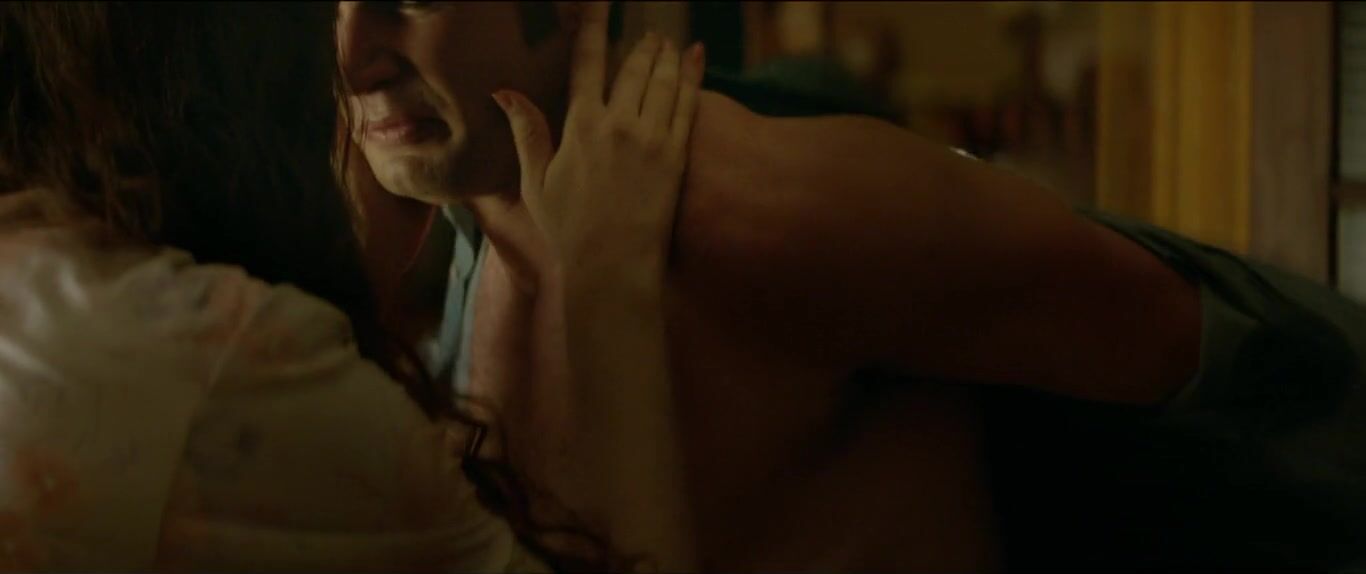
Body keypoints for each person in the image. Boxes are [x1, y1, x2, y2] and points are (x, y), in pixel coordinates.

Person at [341, 1, 1366, 571]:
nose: (351, 59)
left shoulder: (767, 214)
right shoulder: (454, 234)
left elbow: (1274, 366)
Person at [0, 1, 702, 571]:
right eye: (317, 18)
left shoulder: (37, 259)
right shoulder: (234, 356)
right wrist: (609, 285)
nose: (346, 67)